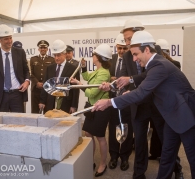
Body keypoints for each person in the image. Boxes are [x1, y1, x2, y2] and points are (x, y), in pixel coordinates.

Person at [93, 30, 195, 179]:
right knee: (167, 154)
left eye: (135, 54)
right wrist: (116, 87)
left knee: (193, 158)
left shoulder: (159, 65)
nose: (134, 59)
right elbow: (142, 85)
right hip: (171, 117)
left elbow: (141, 92)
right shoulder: (153, 65)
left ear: (146, 50)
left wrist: (109, 102)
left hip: (186, 116)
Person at [71, 44, 112, 177]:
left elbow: (91, 93)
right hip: (91, 108)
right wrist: (83, 68)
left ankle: (102, 164)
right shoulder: (97, 70)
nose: (92, 56)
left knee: (100, 137)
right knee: (88, 134)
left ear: (98, 57)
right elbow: (88, 78)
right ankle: (90, 160)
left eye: (94, 54)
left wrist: (78, 84)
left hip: (100, 109)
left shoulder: (104, 73)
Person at [149, 40, 181, 160]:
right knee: (156, 133)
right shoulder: (153, 66)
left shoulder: (174, 64)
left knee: (168, 139)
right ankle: (156, 153)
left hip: (168, 106)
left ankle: (177, 167)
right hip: (156, 106)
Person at [108, 34, 133, 171]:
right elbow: (104, 76)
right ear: (116, 47)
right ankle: (113, 156)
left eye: (124, 48)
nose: (122, 51)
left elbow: (135, 78)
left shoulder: (132, 59)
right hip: (113, 100)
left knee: (127, 128)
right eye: (119, 48)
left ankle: (124, 157)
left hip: (128, 100)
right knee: (113, 128)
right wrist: (111, 79)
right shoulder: (111, 59)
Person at [0, 24, 30, 113]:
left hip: (17, 94)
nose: (9, 41)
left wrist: (27, 81)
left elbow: (26, 70)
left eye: (10, 38)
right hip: (0, 96)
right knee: (1, 123)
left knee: (19, 121)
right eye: (6, 39)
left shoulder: (20, 52)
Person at [39, 40, 80, 114]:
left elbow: (75, 89)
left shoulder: (73, 69)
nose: (56, 58)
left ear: (65, 54)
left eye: (58, 55)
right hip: (50, 104)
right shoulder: (49, 68)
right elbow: (46, 86)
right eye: (55, 55)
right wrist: (42, 101)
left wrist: (74, 106)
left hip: (66, 104)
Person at [30, 40, 55, 113]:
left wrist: (45, 83)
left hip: (47, 88)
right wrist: (36, 82)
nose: (43, 49)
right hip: (36, 89)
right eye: (41, 48)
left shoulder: (52, 59)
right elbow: (30, 73)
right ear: (38, 49)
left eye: (44, 48)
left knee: (48, 111)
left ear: (47, 49)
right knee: (35, 111)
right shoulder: (33, 59)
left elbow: (52, 74)